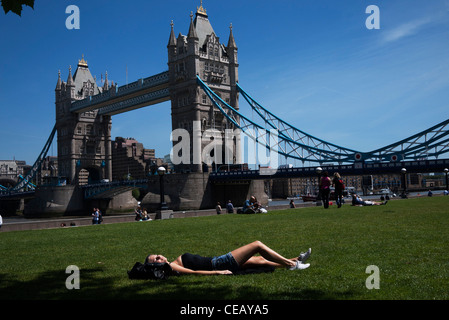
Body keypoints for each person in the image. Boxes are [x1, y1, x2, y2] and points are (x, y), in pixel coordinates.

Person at [145, 240, 312, 275]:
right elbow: (193, 272)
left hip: (218, 260)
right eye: (156, 259)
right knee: (257, 245)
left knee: (259, 261)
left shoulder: (172, 262)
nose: (160, 257)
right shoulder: (171, 266)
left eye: (158, 255)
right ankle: (292, 264)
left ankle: (296, 260)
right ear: (156, 266)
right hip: (219, 263)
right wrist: (217, 273)